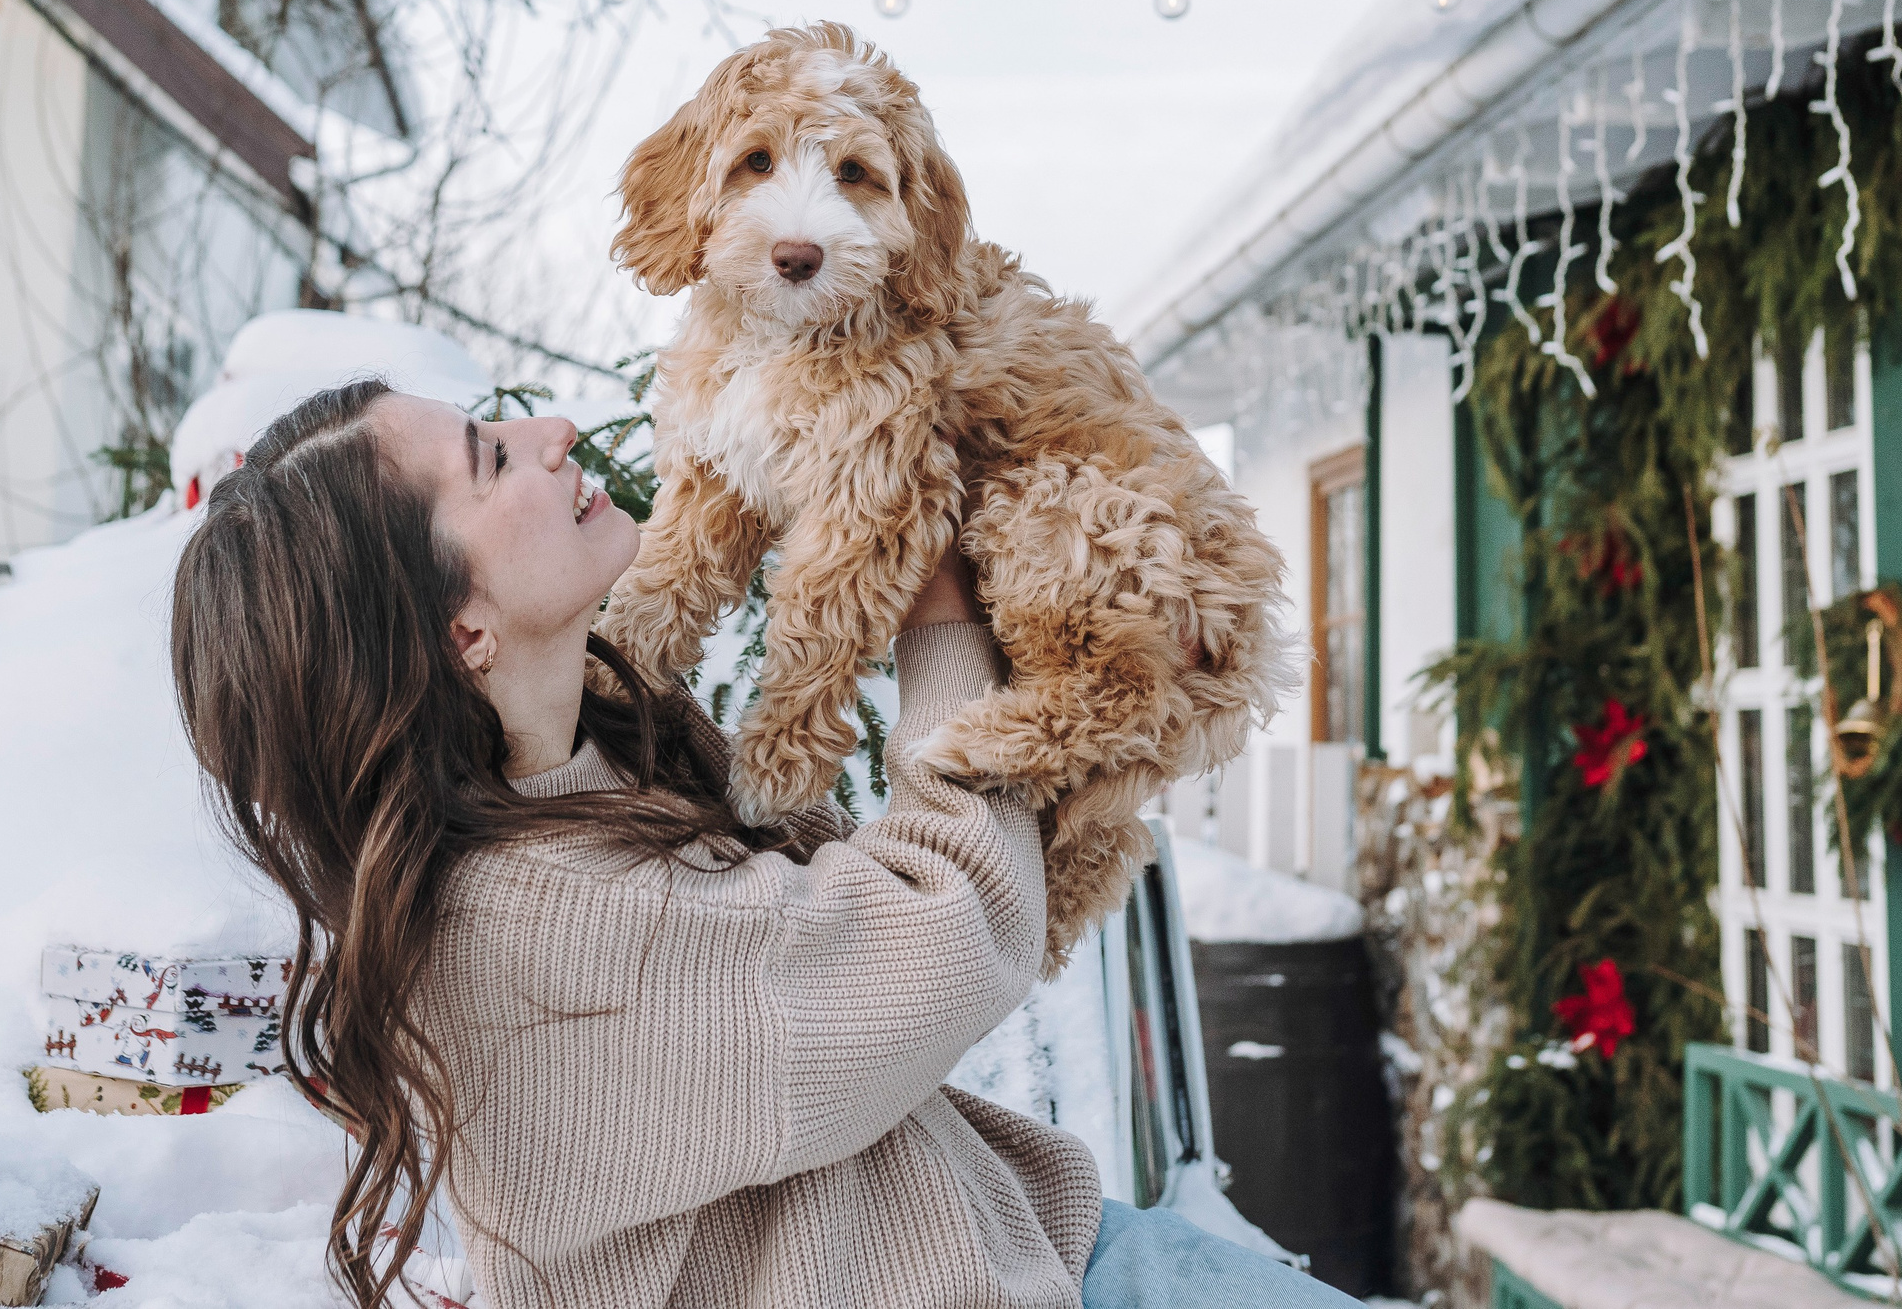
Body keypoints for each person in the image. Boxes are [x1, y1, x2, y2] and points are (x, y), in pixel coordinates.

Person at [170, 379, 1349, 1309]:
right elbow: (941, 931)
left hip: (1044, 1246)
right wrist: (936, 615)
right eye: (488, 456)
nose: (551, 430)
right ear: (460, 632)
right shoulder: (535, 928)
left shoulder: (581, 776)